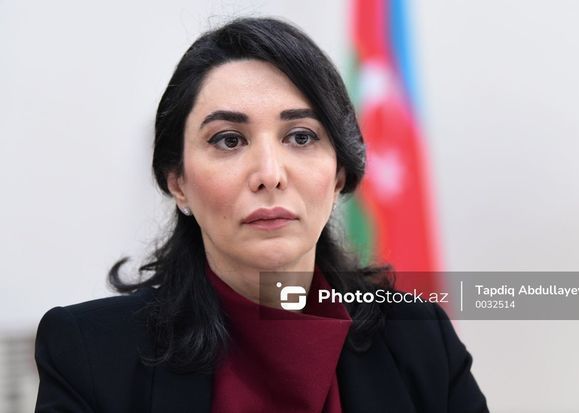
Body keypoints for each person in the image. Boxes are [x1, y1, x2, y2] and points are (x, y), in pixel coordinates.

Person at [34, 17, 489, 413]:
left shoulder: (419, 338)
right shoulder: (89, 352)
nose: (269, 175)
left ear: (338, 174)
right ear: (178, 182)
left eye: (301, 137)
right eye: (229, 140)